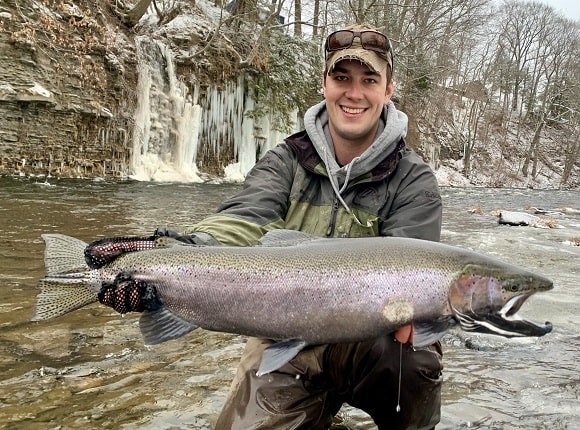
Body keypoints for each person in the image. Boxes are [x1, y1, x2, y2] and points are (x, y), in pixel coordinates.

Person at [166, 22, 443, 429]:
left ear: (388, 91)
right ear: (324, 84)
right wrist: (184, 248)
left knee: (416, 353)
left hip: (370, 344)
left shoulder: (413, 179)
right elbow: (244, 218)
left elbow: (413, 268)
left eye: (369, 80)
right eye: (341, 77)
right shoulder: (285, 160)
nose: (354, 92)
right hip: (284, 337)